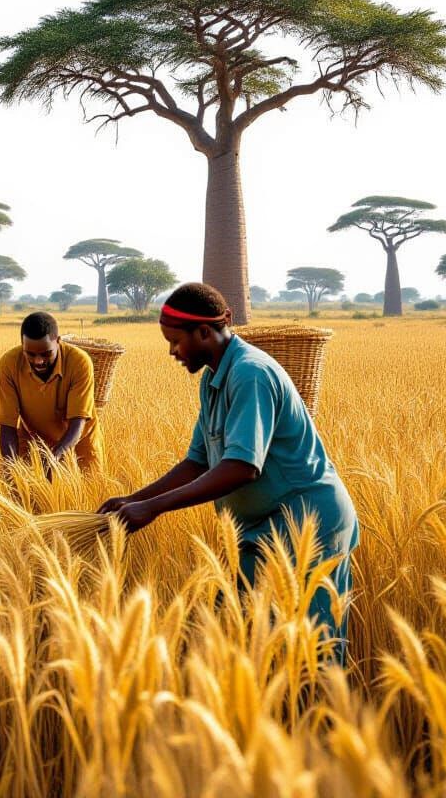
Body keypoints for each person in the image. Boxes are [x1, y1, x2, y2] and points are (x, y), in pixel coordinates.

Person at [98, 282, 359, 659]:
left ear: (204, 332)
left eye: (174, 341)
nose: (171, 351)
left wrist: (153, 509)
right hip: (260, 532)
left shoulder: (250, 373)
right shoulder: (214, 378)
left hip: (308, 527)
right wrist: (134, 500)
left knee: (309, 657)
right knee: (240, 644)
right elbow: (198, 461)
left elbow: (241, 468)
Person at [0, 312, 104, 473]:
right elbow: (7, 427)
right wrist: (12, 470)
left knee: (89, 493)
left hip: (79, 442)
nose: (38, 361)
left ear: (58, 342)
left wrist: (53, 459)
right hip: (33, 441)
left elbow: (78, 422)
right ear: (22, 345)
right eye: (30, 354)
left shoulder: (79, 362)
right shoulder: (9, 364)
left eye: (46, 354)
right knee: (25, 493)